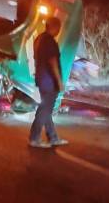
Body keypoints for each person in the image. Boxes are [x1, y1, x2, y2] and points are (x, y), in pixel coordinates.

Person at [29, 17, 68, 148]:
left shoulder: (39, 39)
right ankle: (34, 138)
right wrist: (59, 81)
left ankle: (53, 137)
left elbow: (35, 57)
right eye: (59, 28)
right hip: (50, 82)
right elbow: (53, 62)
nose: (59, 31)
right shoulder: (50, 41)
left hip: (42, 79)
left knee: (47, 110)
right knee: (44, 110)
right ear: (55, 27)